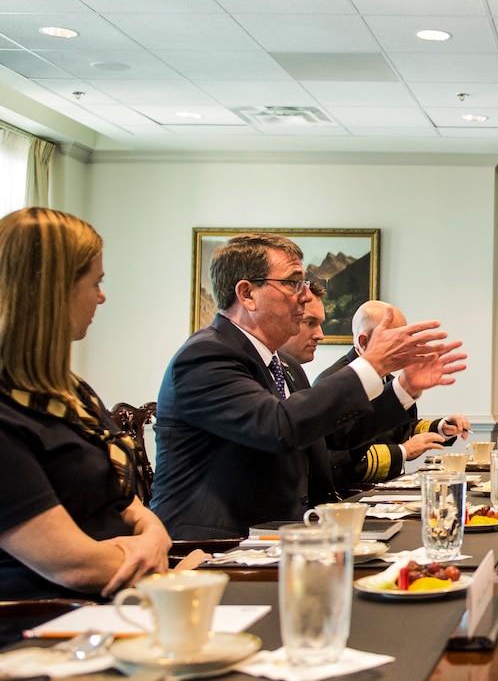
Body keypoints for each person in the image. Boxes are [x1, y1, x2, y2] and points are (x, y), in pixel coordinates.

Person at [150, 232, 466, 539]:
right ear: (247, 294)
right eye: (293, 282)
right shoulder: (206, 355)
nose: (305, 295)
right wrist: (372, 364)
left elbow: (337, 436)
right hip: (218, 546)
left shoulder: (284, 364)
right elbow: (277, 427)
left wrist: (405, 387)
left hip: (282, 536)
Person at [0, 208, 171, 599]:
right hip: (45, 622)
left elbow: (124, 500)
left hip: (114, 603)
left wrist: (153, 536)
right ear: (53, 290)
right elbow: (73, 564)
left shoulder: (73, 393)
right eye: (96, 282)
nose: (101, 296)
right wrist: (155, 560)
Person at [313, 299, 470, 491]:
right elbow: (340, 460)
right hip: (354, 496)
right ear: (364, 342)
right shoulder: (333, 382)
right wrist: (403, 451)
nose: (405, 347)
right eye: (396, 340)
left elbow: (404, 428)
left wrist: (441, 427)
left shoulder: (387, 377)